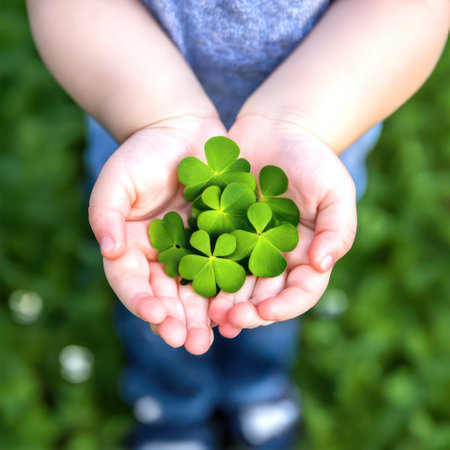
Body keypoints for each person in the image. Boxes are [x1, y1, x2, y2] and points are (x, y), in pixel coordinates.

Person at [27, 0, 449, 448]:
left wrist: (304, 124)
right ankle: (172, 402)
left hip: (317, 142)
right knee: (156, 304)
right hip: (140, 140)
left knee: (273, 292)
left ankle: (257, 386)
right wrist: (157, 118)